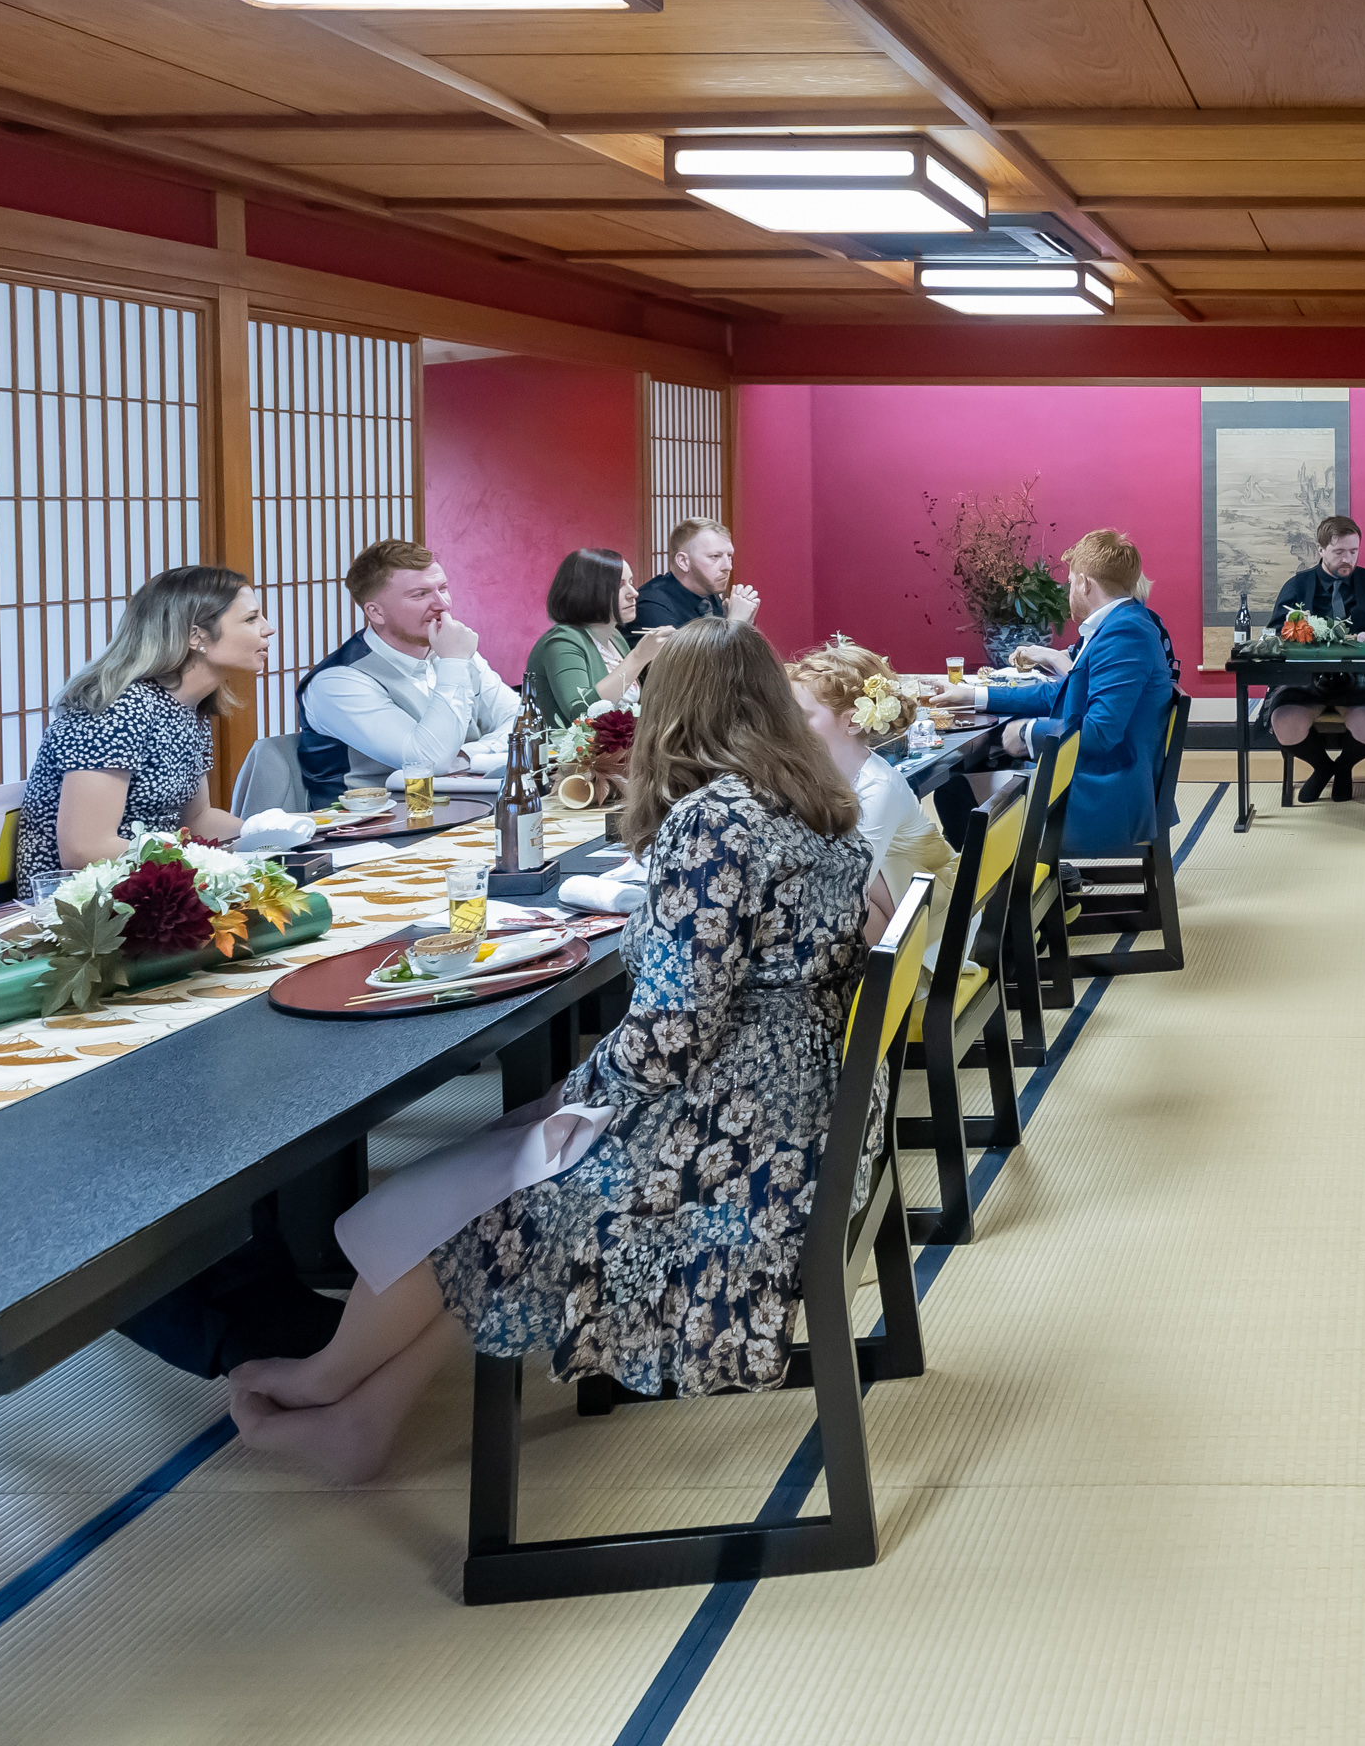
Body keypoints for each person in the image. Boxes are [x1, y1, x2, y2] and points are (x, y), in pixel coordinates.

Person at [223, 620, 885, 1481]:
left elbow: (672, 1035)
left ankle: (330, 1379)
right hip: (804, 1108)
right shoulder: (818, 805)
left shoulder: (715, 822)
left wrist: (579, 1085)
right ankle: (363, 1413)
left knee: (490, 1186)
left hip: (738, 1139)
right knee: (500, 1161)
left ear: (670, 714)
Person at [14, 565, 271, 900]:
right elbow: (84, 849)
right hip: (87, 905)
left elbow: (197, 820)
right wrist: (201, 867)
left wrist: (271, 834)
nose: (268, 629)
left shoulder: (187, 706)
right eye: (251, 619)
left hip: (160, 885)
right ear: (197, 636)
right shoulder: (117, 709)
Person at [953, 528, 1182, 854]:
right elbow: (1057, 694)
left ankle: (1009, 891)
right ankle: (1030, 885)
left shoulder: (1125, 633)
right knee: (977, 770)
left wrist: (1028, 731)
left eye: (1071, 581)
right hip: (1109, 777)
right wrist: (974, 696)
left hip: (1108, 795)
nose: (1069, 589)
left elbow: (1100, 732)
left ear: (1086, 583)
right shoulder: (1120, 623)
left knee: (955, 784)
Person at [295, 540, 524, 803]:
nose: (442, 604)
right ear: (376, 612)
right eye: (420, 594)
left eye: (444, 588)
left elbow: (522, 724)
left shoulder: (451, 652)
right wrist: (454, 662)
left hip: (463, 810)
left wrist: (467, 756)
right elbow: (429, 762)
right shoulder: (337, 682)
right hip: (371, 830)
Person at [791, 639, 949, 891]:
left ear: (853, 722)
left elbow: (850, 885)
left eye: (802, 715)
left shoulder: (879, 786)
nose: (787, 723)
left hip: (926, 907)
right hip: (886, 895)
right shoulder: (809, 772)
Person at [1263, 516, 1365, 798]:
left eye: (1354, 551)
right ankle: (1324, 767)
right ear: (1321, 550)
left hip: (1357, 676)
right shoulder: (1298, 585)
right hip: (1305, 677)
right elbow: (1276, 633)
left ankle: (1344, 767)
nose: (1347, 559)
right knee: (1285, 723)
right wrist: (1301, 630)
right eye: (1339, 552)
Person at [523, 548, 669, 723]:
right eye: (619, 586)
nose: (634, 593)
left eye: (631, 582)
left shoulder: (614, 637)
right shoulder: (561, 641)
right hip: (570, 749)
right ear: (587, 591)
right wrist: (638, 657)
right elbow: (581, 713)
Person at [632, 518, 760, 635]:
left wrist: (746, 623)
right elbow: (686, 660)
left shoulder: (709, 597)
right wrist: (735, 622)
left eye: (729, 556)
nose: (728, 566)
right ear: (683, 562)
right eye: (715, 556)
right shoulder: (652, 605)